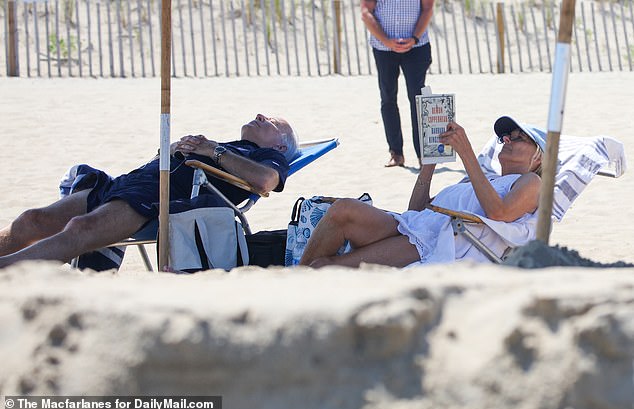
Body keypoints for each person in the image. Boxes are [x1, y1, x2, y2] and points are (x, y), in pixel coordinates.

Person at [0, 114, 299, 269]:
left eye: (272, 122)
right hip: (128, 183)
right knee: (31, 220)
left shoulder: (266, 157)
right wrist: (170, 151)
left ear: (280, 146)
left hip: (154, 196)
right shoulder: (237, 147)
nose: (261, 116)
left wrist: (210, 149)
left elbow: (265, 181)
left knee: (81, 229)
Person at [299, 116, 545, 268]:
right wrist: (429, 164)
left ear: (539, 157)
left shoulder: (530, 182)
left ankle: (290, 293)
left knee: (325, 266)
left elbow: (499, 212)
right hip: (411, 225)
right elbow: (416, 211)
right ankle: (290, 285)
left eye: (517, 137)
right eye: (505, 137)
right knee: (343, 209)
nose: (507, 140)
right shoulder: (483, 181)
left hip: (434, 241)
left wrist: (466, 152)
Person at [361, 0, 434, 167]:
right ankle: (396, 153)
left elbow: (427, 8)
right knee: (388, 98)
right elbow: (366, 12)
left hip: (417, 46)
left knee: (418, 99)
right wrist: (386, 40)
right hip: (383, 47)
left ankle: (423, 156)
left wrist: (414, 38)